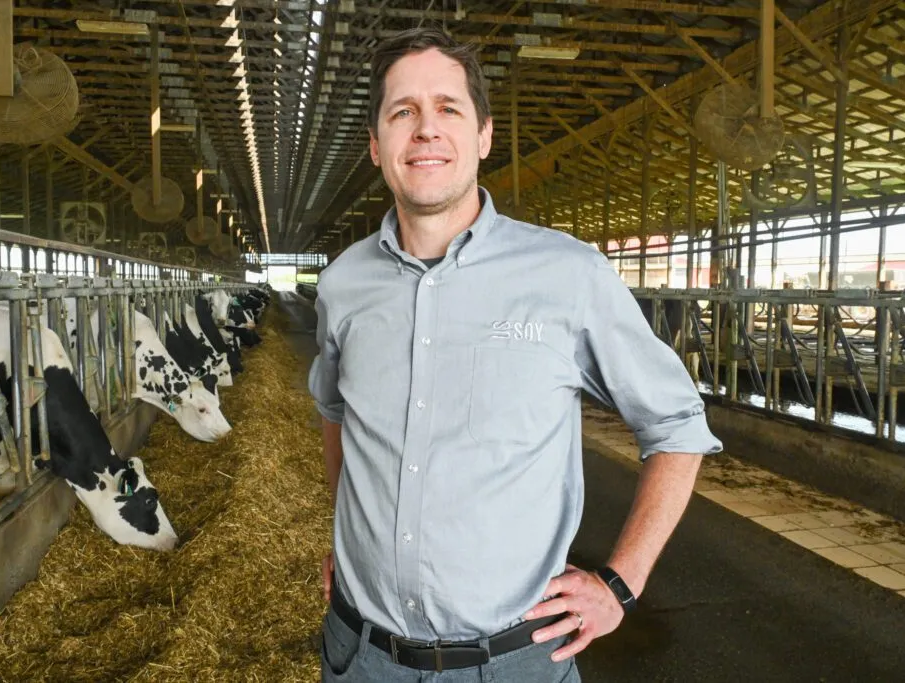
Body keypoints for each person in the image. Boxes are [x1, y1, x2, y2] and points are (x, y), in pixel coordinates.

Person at [307, 26, 722, 682]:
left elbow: (677, 426)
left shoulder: (568, 274)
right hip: (361, 656)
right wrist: (345, 536)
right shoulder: (342, 284)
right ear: (375, 144)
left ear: (483, 136)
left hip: (511, 663)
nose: (425, 129)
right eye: (402, 112)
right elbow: (337, 413)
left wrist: (619, 584)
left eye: (448, 108)